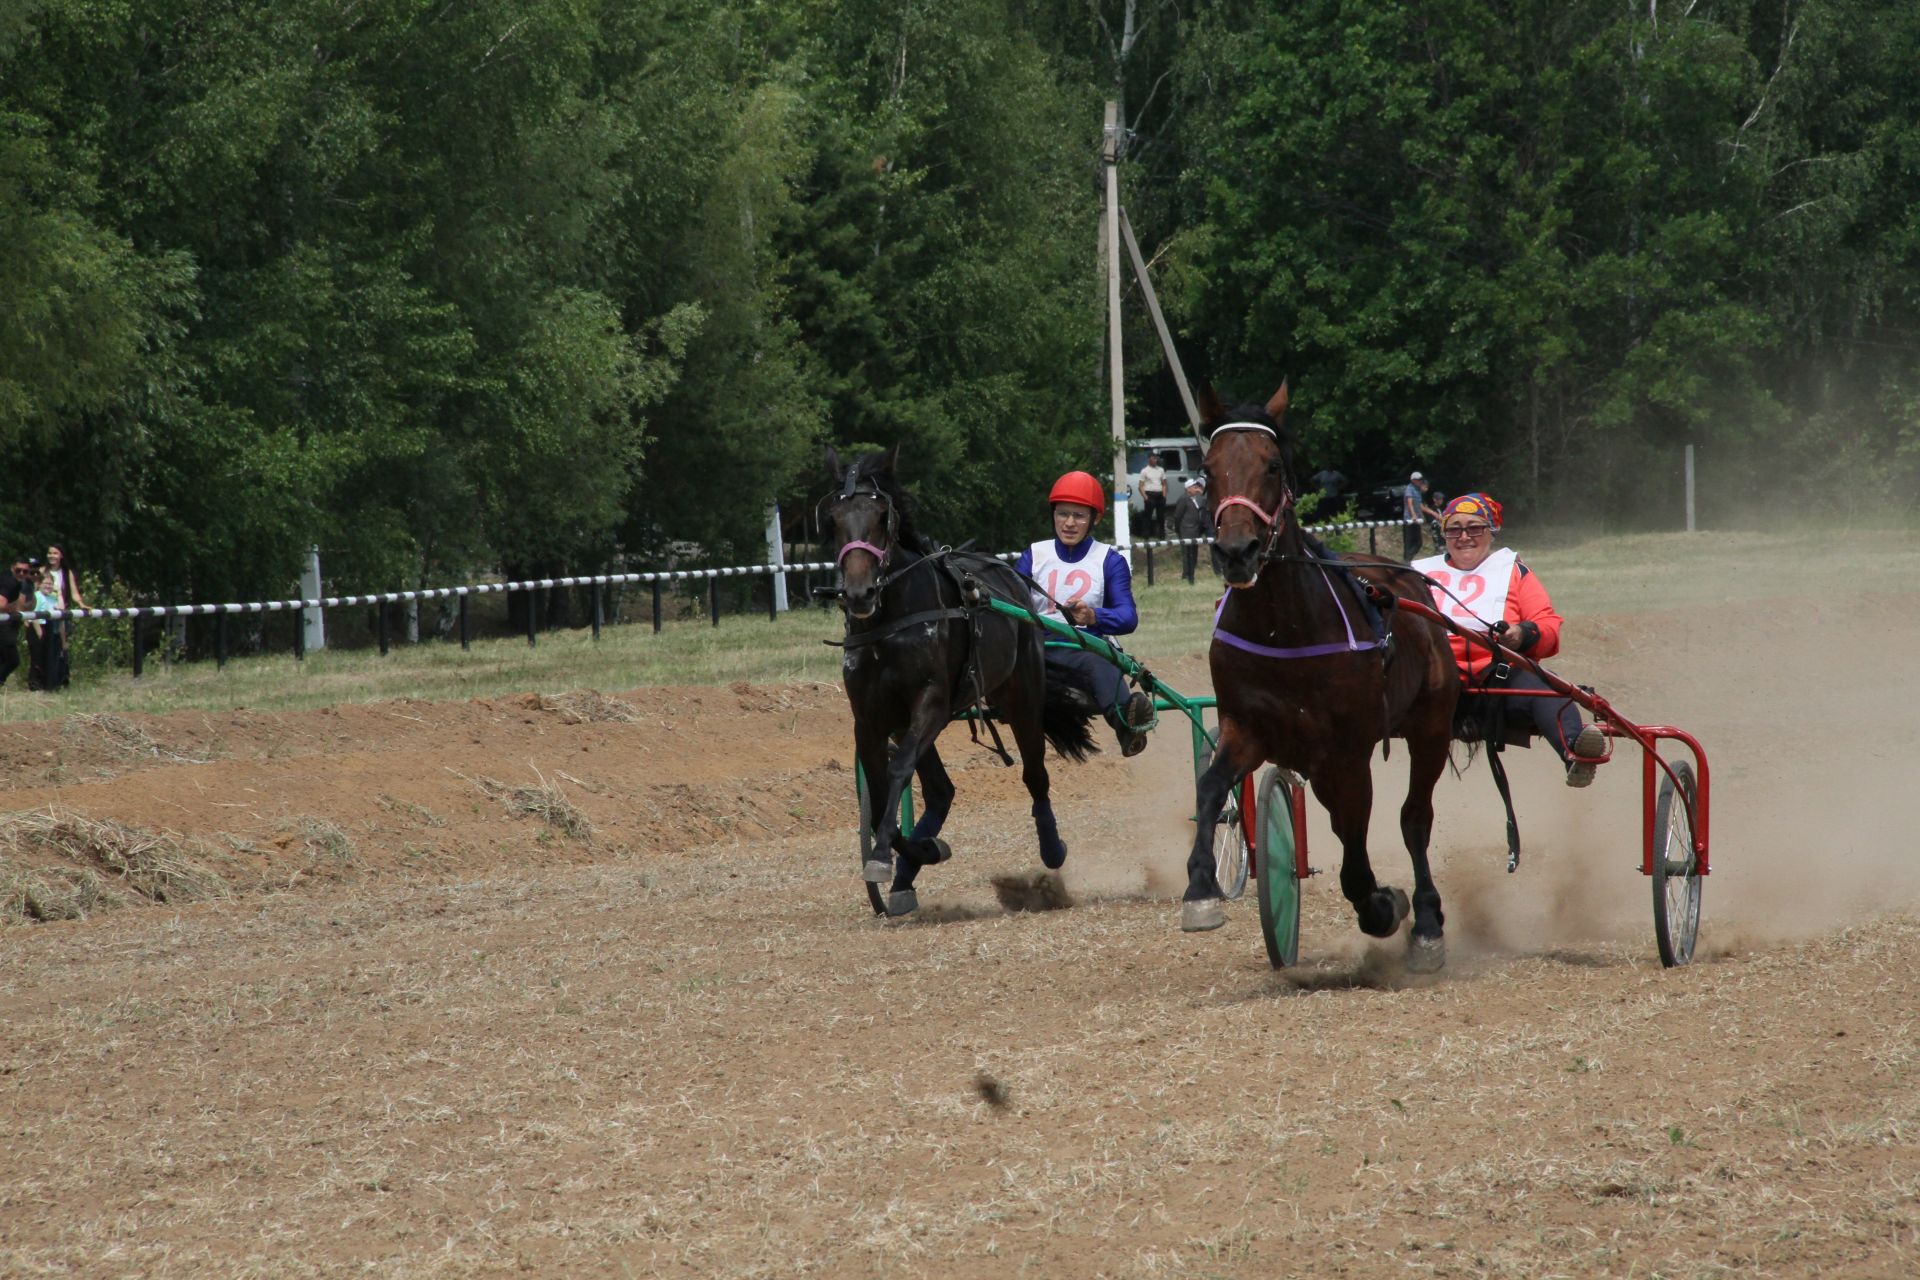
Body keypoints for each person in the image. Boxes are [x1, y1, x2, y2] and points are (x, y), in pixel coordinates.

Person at [1413, 493, 1607, 787]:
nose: (1464, 537)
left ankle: (1574, 752)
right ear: (1444, 534)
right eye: (1454, 529)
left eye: (1474, 527)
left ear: (1491, 530)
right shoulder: (1418, 575)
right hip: (1429, 682)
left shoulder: (1515, 573)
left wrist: (1523, 634)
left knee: (1554, 691)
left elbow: (1548, 626)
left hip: (1498, 680)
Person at [1014, 470, 1156, 757]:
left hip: (1084, 645)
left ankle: (1127, 725)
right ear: (1053, 514)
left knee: (1097, 663)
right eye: (1062, 514)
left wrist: (1093, 617)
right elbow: (1011, 603)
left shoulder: (1109, 560)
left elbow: (1128, 617)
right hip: (1037, 647)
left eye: (1078, 516)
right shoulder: (1033, 555)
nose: (1068, 523)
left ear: (1095, 519)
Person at [44, 544, 85, 690]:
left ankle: (62, 678)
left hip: (62, 615)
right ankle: (47, 681)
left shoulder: (67, 573)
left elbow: (74, 593)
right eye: (49, 553)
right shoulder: (42, 571)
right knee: (48, 648)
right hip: (45, 615)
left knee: (61, 647)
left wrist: (81, 604)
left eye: (55, 553)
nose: (52, 556)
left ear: (61, 556)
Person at [1170, 475, 1213, 583]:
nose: (1196, 489)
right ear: (1188, 489)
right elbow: (1177, 516)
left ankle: (1191, 574)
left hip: (1195, 531)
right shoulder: (1183, 499)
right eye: (1193, 487)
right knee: (1187, 554)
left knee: (1193, 554)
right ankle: (1187, 576)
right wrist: (1178, 530)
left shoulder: (1195, 499)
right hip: (1187, 530)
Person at [0, 556, 29, 688]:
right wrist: (13, 609)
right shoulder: (9, 582)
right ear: (12, 568)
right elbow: (1, 605)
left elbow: (27, 606)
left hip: (6, 623)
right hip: (3, 623)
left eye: (25, 571)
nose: (22, 574)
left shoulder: (19, 582)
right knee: (12, 660)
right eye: (19, 570)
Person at [1402, 471, 1439, 560]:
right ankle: (1407, 560)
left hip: (1417, 519)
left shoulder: (1418, 491)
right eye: (1419, 480)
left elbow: (1420, 506)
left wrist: (1433, 513)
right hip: (1409, 519)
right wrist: (1413, 515)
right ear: (1413, 480)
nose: (1420, 482)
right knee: (1410, 541)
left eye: (1421, 480)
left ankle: (1408, 559)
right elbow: (1409, 503)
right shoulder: (1409, 489)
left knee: (1418, 542)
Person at [1138, 451, 1169, 539]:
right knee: (1147, 516)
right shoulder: (1144, 471)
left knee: (1161, 516)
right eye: (1153, 458)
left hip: (1159, 495)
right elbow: (1140, 486)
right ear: (1149, 459)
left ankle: (1162, 535)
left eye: (1156, 458)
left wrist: (1164, 495)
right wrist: (1145, 497)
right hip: (1150, 494)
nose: (1155, 460)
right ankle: (1146, 535)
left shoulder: (1161, 470)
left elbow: (1164, 484)